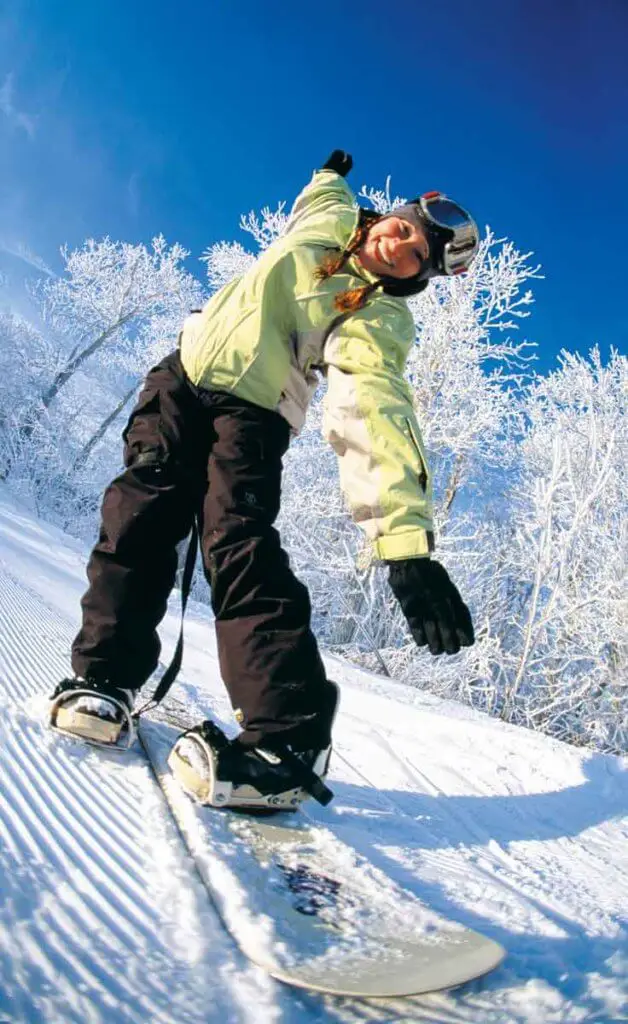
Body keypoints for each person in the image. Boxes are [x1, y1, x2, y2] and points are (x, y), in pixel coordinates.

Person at [48, 150, 477, 811]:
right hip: (181, 380)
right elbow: (320, 196)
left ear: (414, 279)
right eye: (409, 228)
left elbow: (374, 409)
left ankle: (289, 738)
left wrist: (404, 546)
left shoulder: (376, 315)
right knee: (140, 515)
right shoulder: (330, 221)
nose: (404, 246)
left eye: (417, 257)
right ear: (392, 215)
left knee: (237, 544)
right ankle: (103, 677)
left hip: (253, 416)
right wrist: (330, 174)